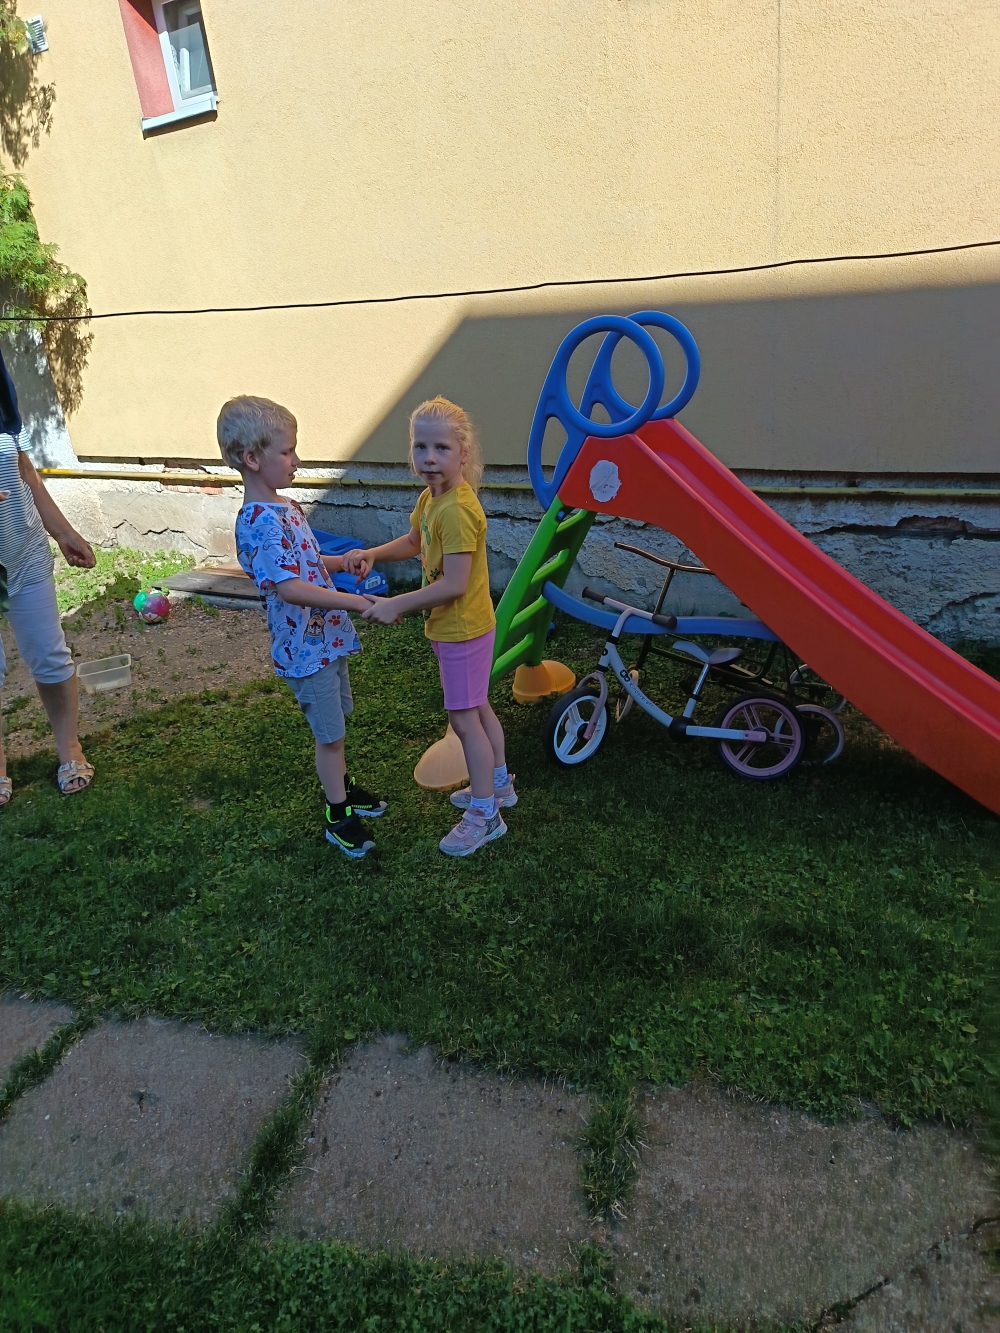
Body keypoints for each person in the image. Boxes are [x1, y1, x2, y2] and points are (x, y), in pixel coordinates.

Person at [218, 395, 388, 859]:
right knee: (329, 737)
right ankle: (338, 815)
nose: (296, 460)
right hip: (305, 651)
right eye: (288, 451)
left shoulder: (286, 508)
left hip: (326, 641)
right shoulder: (258, 522)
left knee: (336, 730)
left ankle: (343, 788)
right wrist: (357, 602)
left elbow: (308, 563)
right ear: (252, 459)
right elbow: (291, 588)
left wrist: (341, 562)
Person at [343, 396, 513, 858]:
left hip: (462, 629)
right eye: (421, 447)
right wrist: (374, 553)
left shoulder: (457, 510)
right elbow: (414, 541)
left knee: (464, 720)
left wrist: (396, 604)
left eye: (441, 448)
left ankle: (485, 814)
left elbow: (454, 584)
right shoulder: (431, 499)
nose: (430, 457)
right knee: (476, 707)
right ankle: (499, 784)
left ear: (463, 453)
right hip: (457, 627)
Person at [0, 348, 96, 809]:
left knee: (49, 655)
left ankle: (69, 748)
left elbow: (20, 466)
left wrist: (63, 531)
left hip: (22, 550)